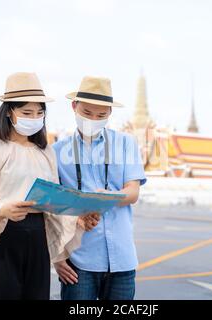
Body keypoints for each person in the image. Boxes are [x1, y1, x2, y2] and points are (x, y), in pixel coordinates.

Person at [0, 72, 99, 300]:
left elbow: (54, 202)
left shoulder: (45, 150)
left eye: (39, 113)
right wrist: (2, 209)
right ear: (9, 112)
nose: (34, 117)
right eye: (27, 112)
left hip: (37, 237)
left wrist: (78, 217)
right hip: (2, 237)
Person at [53, 76, 147, 300]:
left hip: (122, 260)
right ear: (74, 106)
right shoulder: (56, 151)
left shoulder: (125, 143)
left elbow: (132, 192)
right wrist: (57, 257)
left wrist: (106, 197)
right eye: (87, 113)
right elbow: (52, 206)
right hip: (78, 260)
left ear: (109, 114)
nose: (93, 119)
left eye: (101, 115)